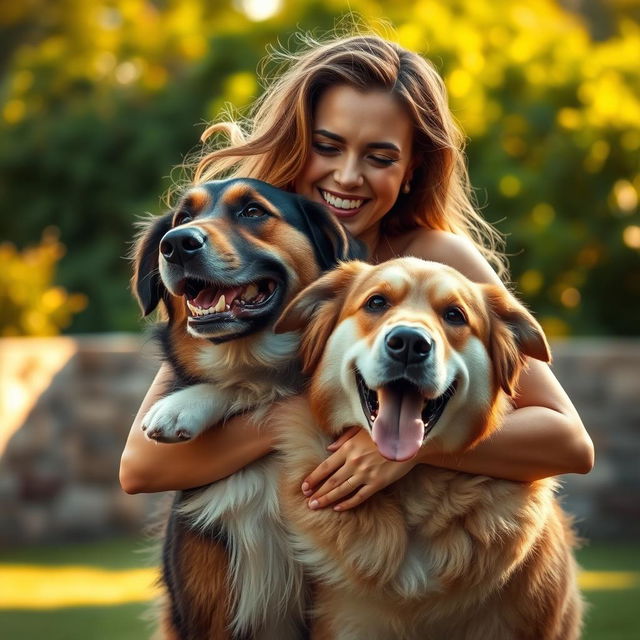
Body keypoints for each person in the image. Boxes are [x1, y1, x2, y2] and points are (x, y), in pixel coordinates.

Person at [119, 33, 593, 512]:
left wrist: (404, 445)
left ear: (411, 169)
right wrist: (303, 416)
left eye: (380, 157)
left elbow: (568, 439)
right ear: (298, 144)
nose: (347, 176)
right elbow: (142, 466)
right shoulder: (261, 267)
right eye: (328, 147)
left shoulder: (436, 260)